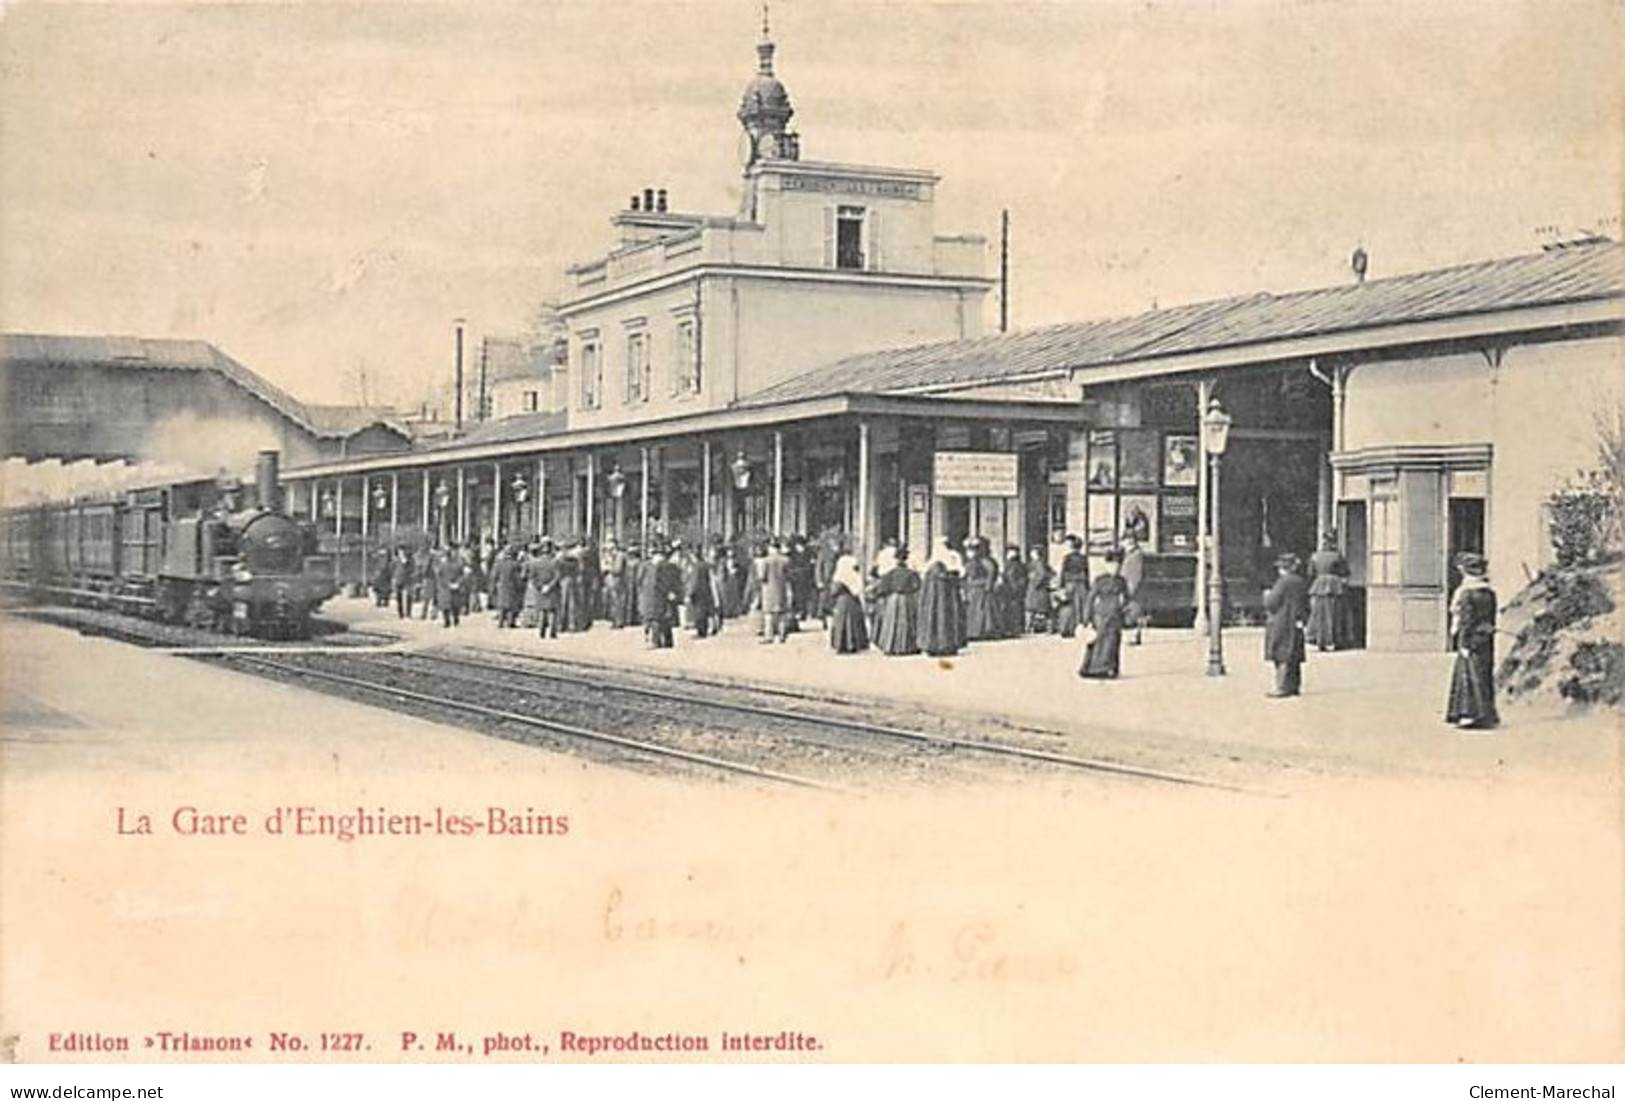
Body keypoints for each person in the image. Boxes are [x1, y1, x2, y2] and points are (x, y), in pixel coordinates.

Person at [1445, 553, 1500, 730]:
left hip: (1470, 638)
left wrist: (1465, 643)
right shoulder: (1489, 593)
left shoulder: (1467, 594)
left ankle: (1471, 714)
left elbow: (1466, 621)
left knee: (1469, 676)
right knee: (1484, 675)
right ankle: (1487, 714)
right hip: (1485, 638)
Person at [1078, 547, 1132, 679]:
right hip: (1101, 614)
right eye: (1112, 565)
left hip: (1115, 614)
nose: (1115, 568)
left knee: (1113, 642)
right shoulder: (1100, 580)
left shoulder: (1121, 581)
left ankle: (1110, 668)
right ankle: (1092, 668)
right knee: (1099, 641)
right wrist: (1086, 619)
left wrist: (1127, 612)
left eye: (1118, 565)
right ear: (1107, 565)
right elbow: (1090, 599)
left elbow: (1127, 598)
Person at [1263, 552, 1309, 697]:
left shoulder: (1282, 582)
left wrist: (1267, 595)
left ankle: (1281, 687)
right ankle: (1294, 686)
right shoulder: (1300, 582)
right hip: (1296, 621)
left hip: (1281, 622)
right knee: (1294, 654)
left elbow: (1272, 602)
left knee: (1281, 654)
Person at [918, 537, 964, 657]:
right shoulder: (949, 562)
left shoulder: (931, 566)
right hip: (948, 599)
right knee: (946, 619)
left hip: (934, 600)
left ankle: (934, 645)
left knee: (935, 619)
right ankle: (948, 644)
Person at [870, 546, 921, 656]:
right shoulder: (911, 573)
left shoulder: (890, 573)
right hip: (907, 600)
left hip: (893, 600)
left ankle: (892, 646)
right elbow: (917, 586)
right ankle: (907, 646)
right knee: (907, 623)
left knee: (892, 623)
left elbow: (883, 588)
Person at [1306, 532, 1350, 652]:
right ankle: (1335, 640)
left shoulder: (1315, 556)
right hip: (1334, 586)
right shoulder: (1337, 556)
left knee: (1319, 614)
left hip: (1319, 585)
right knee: (1335, 615)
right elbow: (1345, 571)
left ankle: (1319, 639)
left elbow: (1310, 573)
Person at [640, 543, 681, 649]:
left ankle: (657, 641)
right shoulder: (667, 566)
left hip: (657, 595)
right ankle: (667, 641)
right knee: (662, 618)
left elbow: (657, 582)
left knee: (657, 619)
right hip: (658, 595)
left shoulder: (656, 567)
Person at [827, 551, 869, 654]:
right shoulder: (854, 576)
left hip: (842, 603)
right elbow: (858, 588)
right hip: (854, 602)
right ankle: (854, 643)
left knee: (842, 623)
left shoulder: (839, 578)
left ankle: (842, 644)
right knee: (854, 623)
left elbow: (833, 591)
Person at [1053, 535, 1090, 638]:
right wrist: (1087, 586)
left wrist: (1060, 586)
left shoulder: (1067, 558)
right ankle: (1078, 628)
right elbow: (1087, 573)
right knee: (1080, 607)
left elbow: (1063, 573)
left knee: (1069, 607)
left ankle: (1067, 628)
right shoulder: (1083, 558)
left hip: (1070, 584)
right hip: (1081, 584)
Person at [962, 538, 999, 641]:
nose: (970, 553)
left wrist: (988, 587)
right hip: (972, 590)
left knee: (983, 611)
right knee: (973, 611)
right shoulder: (969, 562)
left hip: (981, 589)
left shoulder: (985, 561)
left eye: (972, 550)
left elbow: (991, 573)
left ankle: (983, 631)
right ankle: (972, 632)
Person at [758, 538, 791, 644]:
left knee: (768, 614)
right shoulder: (785, 560)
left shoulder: (765, 561)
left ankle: (769, 635)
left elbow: (762, 576)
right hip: (781, 587)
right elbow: (788, 575)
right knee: (781, 613)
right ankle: (782, 634)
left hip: (768, 589)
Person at [1120, 530, 1147, 646]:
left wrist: (1130, 590)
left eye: (1130, 540)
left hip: (1132, 588)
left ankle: (1134, 636)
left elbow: (1136, 574)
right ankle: (1134, 635)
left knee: (1133, 613)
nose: (1127, 542)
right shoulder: (1129, 554)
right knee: (1133, 613)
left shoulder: (1136, 555)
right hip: (1129, 586)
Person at [683, 542, 715, 639]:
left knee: (699, 613)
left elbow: (694, 581)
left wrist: (689, 593)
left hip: (698, 593)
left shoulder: (696, 567)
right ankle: (704, 630)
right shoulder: (705, 565)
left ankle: (701, 632)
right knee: (704, 612)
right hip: (706, 591)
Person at [531, 538, 560, 639]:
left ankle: (541, 632)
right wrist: (550, 586)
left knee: (542, 611)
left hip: (541, 589)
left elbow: (533, 578)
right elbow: (557, 576)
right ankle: (552, 632)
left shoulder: (536, 563)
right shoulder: (554, 562)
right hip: (552, 590)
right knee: (553, 611)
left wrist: (539, 586)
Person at [435, 545, 467, 628]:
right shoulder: (454, 564)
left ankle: (450, 620)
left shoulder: (445, 564)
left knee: (450, 605)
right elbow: (462, 575)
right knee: (450, 605)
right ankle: (450, 620)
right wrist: (456, 584)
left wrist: (456, 583)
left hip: (448, 587)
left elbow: (439, 576)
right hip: (448, 587)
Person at [491, 544, 523, 628]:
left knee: (502, 604)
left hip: (501, 585)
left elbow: (494, 575)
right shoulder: (514, 564)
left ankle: (500, 622)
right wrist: (519, 586)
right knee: (511, 605)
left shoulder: (499, 563)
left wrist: (493, 585)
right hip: (511, 586)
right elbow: (517, 577)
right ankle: (510, 622)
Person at [1023, 546, 1053, 634]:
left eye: (1033, 552)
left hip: (1037, 590)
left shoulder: (1039, 563)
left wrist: (1035, 583)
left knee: (1036, 609)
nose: (1031, 554)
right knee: (1035, 609)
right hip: (1035, 589)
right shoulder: (1034, 563)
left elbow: (1042, 574)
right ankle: (1030, 627)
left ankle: (1030, 627)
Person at [814, 533, 839, 625]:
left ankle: (831, 618)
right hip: (825, 579)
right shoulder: (824, 553)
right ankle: (823, 618)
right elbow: (818, 567)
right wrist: (819, 580)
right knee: (824, 599)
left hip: (835, 579)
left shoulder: (839, 554)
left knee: (833, 600)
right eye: (833, 541)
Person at [391, 547, 415, 619]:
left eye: (402, 552)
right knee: (399, 597)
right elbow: (392, 569)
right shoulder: (396, 561)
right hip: (399, 580)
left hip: (408, 580)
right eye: (400, 552)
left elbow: (412, 568)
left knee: (409, 596)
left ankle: (408, 613)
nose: (401, 554)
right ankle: (400, 613)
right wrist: (393, 577)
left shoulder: (410, 560)